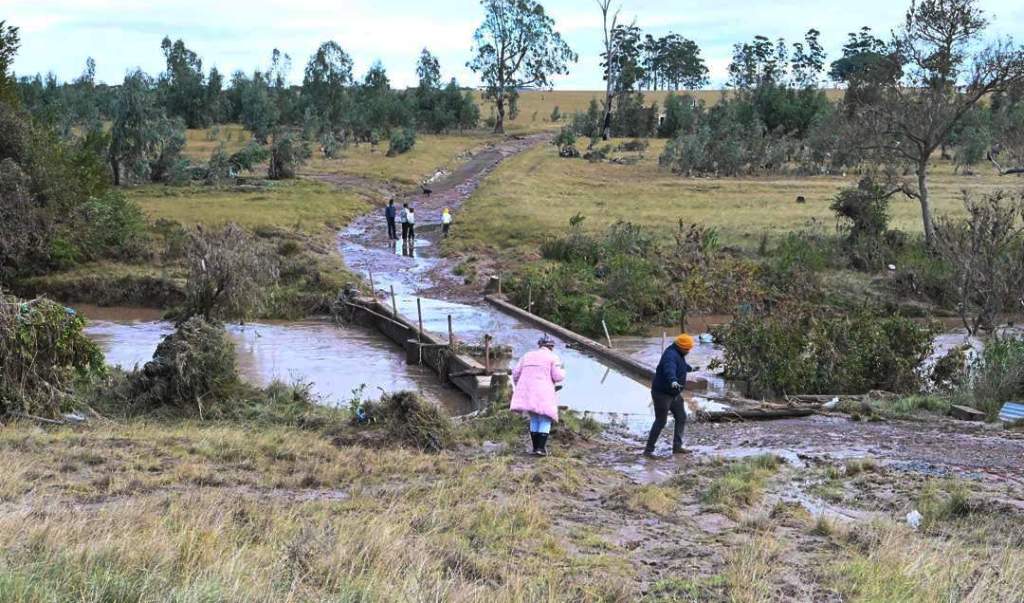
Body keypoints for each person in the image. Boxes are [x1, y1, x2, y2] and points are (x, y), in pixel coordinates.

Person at [510, 334, 565, 456]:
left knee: (534, 418)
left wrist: (519, 386)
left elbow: (515, 373)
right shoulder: (553, 357)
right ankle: (540, 448)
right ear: (551, 347)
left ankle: (535, 448)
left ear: (539, 345)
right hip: (544, 393)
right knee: (545, 418)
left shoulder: (527, 356)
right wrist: (563, 370)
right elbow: (558, 376)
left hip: (527, 392)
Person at [644, 333, 695, 457]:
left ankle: (677, 447)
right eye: (687, 349)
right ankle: (648, 451)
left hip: (674, 394)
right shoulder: (670, 355)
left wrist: (689, 368)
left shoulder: (678, 353)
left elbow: (680, 364)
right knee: (661, 421)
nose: (688, 351)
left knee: (681, 416)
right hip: (662, 394)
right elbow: (669, 368)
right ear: (681, 347)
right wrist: (673, 380)